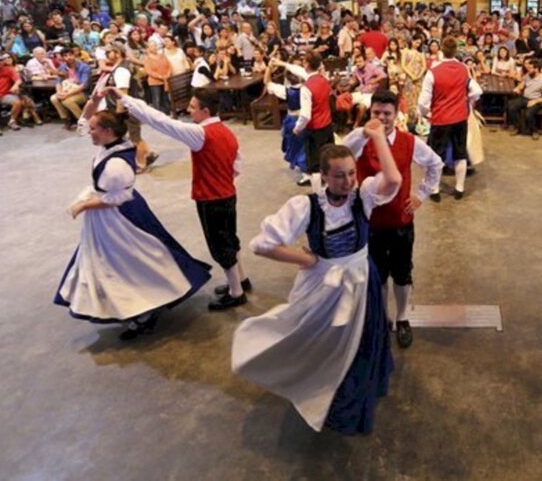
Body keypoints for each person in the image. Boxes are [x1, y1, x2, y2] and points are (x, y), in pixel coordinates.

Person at [231, 123, 401, 435]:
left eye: (351, 173)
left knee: (363, 338)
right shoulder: (306, 206)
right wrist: (307, 259)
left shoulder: (362, 197)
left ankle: (355, 388)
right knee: (320, 339)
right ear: (323, 175)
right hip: (325, 284)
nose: (348, 181)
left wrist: (377, 137)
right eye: (339, 175)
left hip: (362, 279)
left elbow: (393, 179)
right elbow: (262, 244)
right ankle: (319, 383)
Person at [54, 88, 211, 340]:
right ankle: (134, 309)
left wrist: (83, 205)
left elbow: (116, 198)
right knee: (117, 262)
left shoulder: (116, 165)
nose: (88, 131)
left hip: (119, 218)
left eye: (94, 128)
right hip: (109, 217)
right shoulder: (112, 143)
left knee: (127, 261)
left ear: (107, 131)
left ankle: (143, 311)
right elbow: (83, 123)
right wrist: (94, 101)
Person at [111, 86, 248, 311]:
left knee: (220, 245)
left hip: (211, 198)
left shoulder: (200, 134)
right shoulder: (226, 131)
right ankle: (240, 280)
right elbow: (237, 165)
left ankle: (236, 292)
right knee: (230, 239)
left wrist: (125, 99)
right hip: (227, 194)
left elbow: (161, 121)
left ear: (205, 110)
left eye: (193, 107)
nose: (188, 110)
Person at [342, 91, 443, 349]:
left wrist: (421, 195)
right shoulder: (360, 140)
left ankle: (402, 318)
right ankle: (383, 317)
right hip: (370, 224)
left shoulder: (409, 142)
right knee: (377, 274)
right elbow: (341, 152)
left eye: (387, 113)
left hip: (400, 221)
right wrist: (364, 132)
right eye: (376, 112)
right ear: (370, 112)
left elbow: (435, 164)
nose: (382, 118)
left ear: (396, 114)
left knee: (401, 273)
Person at [418, 36, 482, 200]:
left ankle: (434, 190)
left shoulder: (433, 72)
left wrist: (427, 113)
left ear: (441, 51)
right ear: (455, 51)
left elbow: (423, 102)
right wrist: (466, 100)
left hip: (440, 119)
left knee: (435, 155)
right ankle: (459, 189)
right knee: (460, 153)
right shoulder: (463, 69)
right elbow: (476, 90)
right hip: (460, 118)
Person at [288, 52, 335, 187]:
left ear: (307, 64)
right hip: (327, 125)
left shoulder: (306, 88)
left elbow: (305, 115)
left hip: (315, 129)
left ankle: (318, 193)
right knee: (328, 158)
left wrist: (297, 129)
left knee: (314, 163)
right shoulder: (324, 79)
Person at [506, 57, 542, 140]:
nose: (528, 69)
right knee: (510, 106)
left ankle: (534, 131)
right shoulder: (528, 75)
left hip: (536, 100)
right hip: (525, 98)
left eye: (530, 68)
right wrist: (518, 88)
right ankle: (518, 127)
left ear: (536, 69)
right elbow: (523, 84)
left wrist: (535, 101)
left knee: (528, 114)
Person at [51, 48, 91, 130]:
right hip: (67, 89)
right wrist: (59, 92)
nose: (69, 57)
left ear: (74, 55)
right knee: (54, 98)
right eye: (65, 56)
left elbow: (84, 85)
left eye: (70, 55)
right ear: (63, 58)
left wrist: (67, 94)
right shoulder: (62, 67)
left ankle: (83, 121)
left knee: (67, 100)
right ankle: (67, 120)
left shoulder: (84, 67)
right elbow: (58, 81)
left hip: (81, 92)